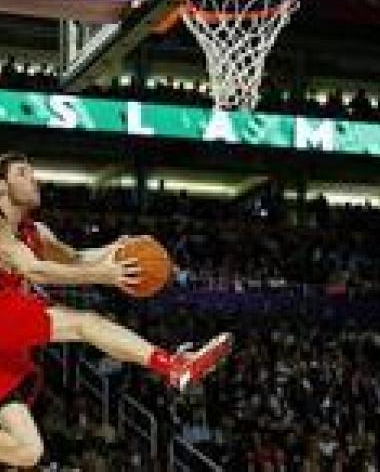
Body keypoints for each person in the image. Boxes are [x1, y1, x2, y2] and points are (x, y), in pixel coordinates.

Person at [0, 152, 233, 468]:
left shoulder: (37, 232)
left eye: (32, 172)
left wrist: (116, 250)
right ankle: (173, 367)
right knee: (85, 323)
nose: (34, 179)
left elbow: (77, 258)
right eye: (22, 173)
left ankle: (175, 367)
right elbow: (35, 270)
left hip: (6, 343)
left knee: (27, 451)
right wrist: (102, 275)